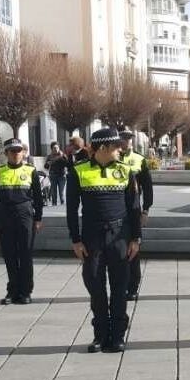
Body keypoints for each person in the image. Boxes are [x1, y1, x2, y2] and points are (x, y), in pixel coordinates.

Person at [66, 128, 141, 353]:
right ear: (103, 148)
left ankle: (117, 335)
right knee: (95, 286)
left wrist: (135, 238)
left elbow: (134, 208)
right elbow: (71, 210)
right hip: (92, 238)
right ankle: (100, 334)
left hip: (119, 236)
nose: (121, 149)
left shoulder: (126, 171)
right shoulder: (78, 171)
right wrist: (76, 240)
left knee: (120, 287)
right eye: (116, 146)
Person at [0, 139, 43, 305]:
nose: (16, 154)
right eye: (12, 151)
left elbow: (38, 197)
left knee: (25, 254)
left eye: (18, 150)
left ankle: (25, 291)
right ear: (6, 153)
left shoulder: (31, 171)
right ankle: (12, 290)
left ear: (23, 152)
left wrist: (38, 219)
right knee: (9, 255)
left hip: (25, 215)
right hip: (5, 216)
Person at [119, 127, 153, 300]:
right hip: (117, 210)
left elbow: (147, 187)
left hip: (134, 209)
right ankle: (121, 285)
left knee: (134, 247)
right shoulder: (113, 157)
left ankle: (133, 286)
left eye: (128, 138)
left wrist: (146, 209)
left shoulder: (139, 159)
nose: (126, 141)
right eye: (123, 138)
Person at [44, 141, 67, 206]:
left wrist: (62, 157)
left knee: (61, 192)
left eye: (57, 148)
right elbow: (45, 166)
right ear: (51, 149)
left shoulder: (63, 155)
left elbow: (66, 163)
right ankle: (54, 204)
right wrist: (48, 163)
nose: (56, 149)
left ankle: (62, 204)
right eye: (54, 148)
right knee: (54, 191)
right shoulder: (49, 156)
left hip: (62, 175)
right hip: (53, 175)